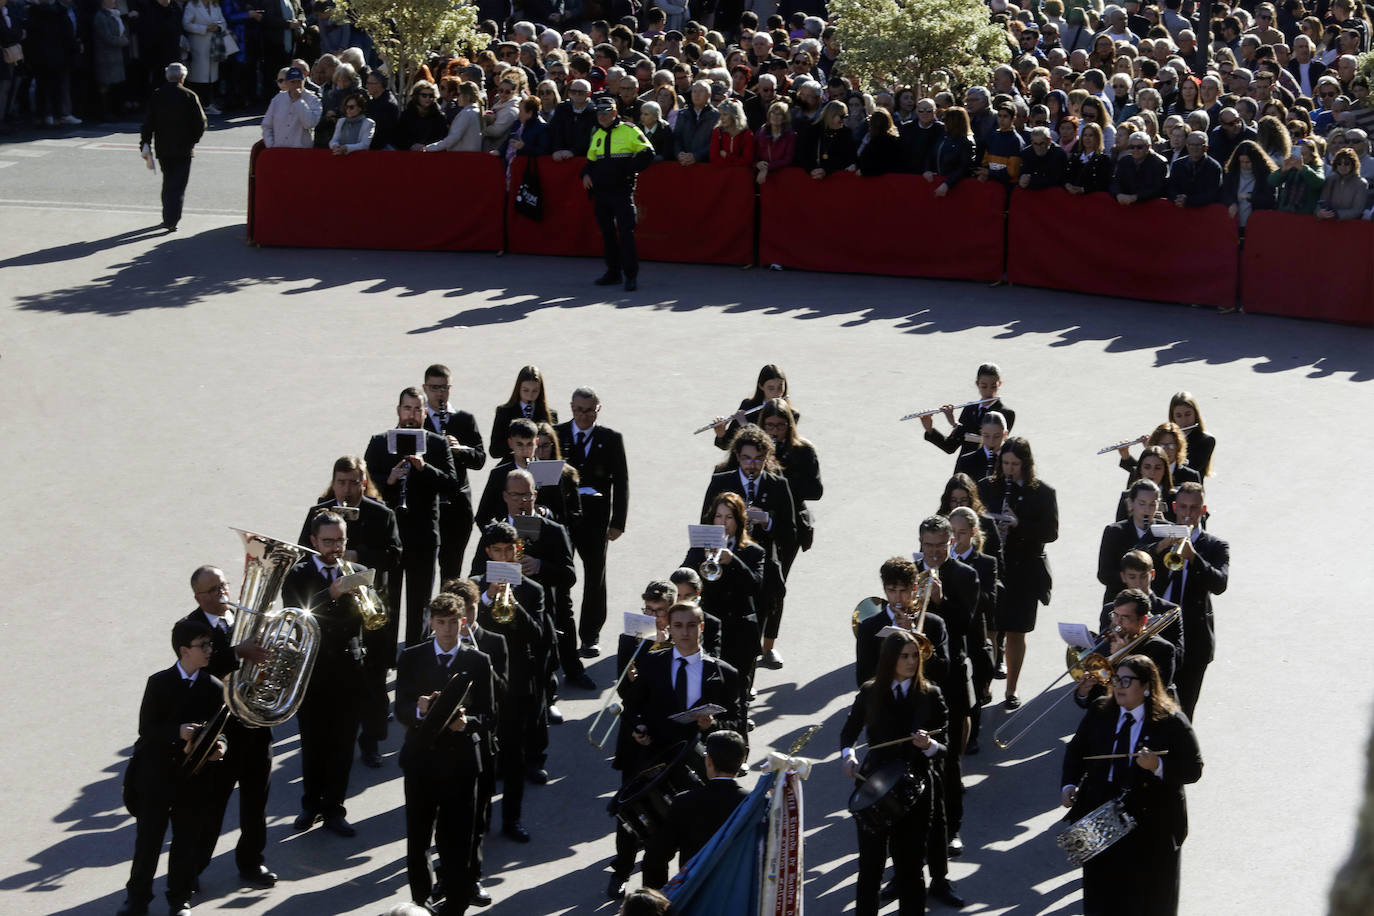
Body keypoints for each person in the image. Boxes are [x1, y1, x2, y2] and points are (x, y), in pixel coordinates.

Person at [1061, 655, 1203, 916]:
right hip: (1100, 812)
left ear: (1147, 686)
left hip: (1150, 822)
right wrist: (1068, 785)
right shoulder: (1100, 710)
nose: (1119, 686)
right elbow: (1076, 751)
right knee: (1099, 896)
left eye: (1127, 680)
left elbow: (1194, 769)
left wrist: (1157, 767)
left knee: (1146, 900)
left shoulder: (1171, 721)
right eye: (1116, 679)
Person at [296, 456, 403, 768]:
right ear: (333, 481)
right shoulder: (319, 513)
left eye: (354, 482)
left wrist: (358, 555)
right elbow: (304, 551)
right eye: (341, 482)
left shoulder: (381, 513)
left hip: (369, 607)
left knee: (372, 684)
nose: (347, 488)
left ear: (363, 481)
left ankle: (370, 743)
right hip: (331, 611)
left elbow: (395, 556)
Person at [117, 619, 227, 916]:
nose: (208, 650)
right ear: (183, 650)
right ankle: (137, 900)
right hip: (156, 776)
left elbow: (221, 730)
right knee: (149, 842)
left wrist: (220, 749)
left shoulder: (213, 687)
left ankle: (179, 899)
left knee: (186, 841)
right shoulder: (159, 682)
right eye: (202, 645)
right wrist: (177, 731)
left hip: (193, 778)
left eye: (209, 645)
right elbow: (146, 728)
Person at [396, 593, 495, 916]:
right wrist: (419, 710)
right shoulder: (412, 657)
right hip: (422, 761)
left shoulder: (478, 660)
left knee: (458, 841)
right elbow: (400, 707)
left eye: (454, 622)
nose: (448, 630)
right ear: (430, 623)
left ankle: (455, 906)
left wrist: (467, 725)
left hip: (461, 764)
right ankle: (421, 904)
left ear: (463, 622)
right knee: (419, 838)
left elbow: (490, 715)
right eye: (441, 623)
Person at [839, 630, 948, 916]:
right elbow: (848, 732)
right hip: (874, 785)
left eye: (915, 656)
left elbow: (946, 746)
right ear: (890, 659)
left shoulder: (930, 694)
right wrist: (848, 756)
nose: (912, 661)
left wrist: (929, 745)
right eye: (905, 656)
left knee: (911, 868)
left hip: (916, 791)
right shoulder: (870, 692)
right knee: (870, 867)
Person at [184, 566, 276, 891]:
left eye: (223, 585)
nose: (222, 592)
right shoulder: (189, 627)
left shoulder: (245, 618)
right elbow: (200, 665)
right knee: (212, 806)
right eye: (212, 590)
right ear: (197, 596)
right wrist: (239, 652)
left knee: (256, 802)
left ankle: (252, 862)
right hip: (220, 732)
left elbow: (263, 659)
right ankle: (191, 868)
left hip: (254, 725)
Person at [282, 511, 370, 837]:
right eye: (329, 541)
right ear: (314, 541)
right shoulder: (298, 574)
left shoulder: (358, 572)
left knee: (343, 744)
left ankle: (335, 808)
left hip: (349, 669)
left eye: (340, 540)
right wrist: (330, 596)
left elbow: (368, 620)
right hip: (314, 671)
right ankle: (310, 805)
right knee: (314, 742)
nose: (335, 547)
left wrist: (366, 600)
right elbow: (295, 617)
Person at [365, 387, 461, 648]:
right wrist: (390, 480)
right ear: (398, 410)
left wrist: (425, 467)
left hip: (423, 536)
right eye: (407, 408)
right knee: (388, 598)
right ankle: (385, 657)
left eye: (417, 409)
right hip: (389, 536)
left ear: (424, 412)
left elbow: (453, 485)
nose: (412, 414)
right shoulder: (379, 441)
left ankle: (415, 653)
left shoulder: (437, 443)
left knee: (420, 602)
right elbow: (366, 484)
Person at [701, 425, 796, 664]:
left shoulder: (777, 484)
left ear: (766, 457)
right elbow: (704, 521)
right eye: (746, 458)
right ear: (737, 456)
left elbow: (791, 533)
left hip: (760, 561)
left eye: (758, 459)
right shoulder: (722, 481)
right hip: (726, 556)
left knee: (759, 615)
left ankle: (749, 670)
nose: (752, 465)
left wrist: (768, 521)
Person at [976, 437, 1058, 708]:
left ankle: (1011, 688)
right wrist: (992, 527)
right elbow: (974, 522)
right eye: (1005, 463)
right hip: (994, 568)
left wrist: (1019, 525)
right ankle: (984, 684)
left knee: (1016, 632)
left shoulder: (1043, 492)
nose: (1009, 469)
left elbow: (1051, 533)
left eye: (1015, 464)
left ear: (1026, 464)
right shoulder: (987, 487)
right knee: (991, 629)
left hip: (1024, 571)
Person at [557, 386, 630, 656]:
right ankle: (560, 631)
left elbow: (621, 481)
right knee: (560, 574)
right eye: (578, 409)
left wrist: (618, 522)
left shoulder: (610, 438)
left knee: (595, 577)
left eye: (588, 410)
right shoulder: (558, 433)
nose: (583, 415)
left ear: (598, 409)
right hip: (563, 519)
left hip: (596, 520)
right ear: (571, 407)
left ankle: (590, 635)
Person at [1153, 483, 1228, 720]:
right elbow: (1133, 565)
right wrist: (1160, 548)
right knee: (1152, 705)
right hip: (1157, 632)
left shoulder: (1215, 546)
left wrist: (1194, 558)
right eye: (1183, 507)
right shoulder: (1158, 535)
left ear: (1202, 509)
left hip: (1194, 641)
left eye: (1194, 508)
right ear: (1174, 507)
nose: (1187, 513)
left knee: (1183, 711)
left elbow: (1219, 584)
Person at [682, 491, 764, 704]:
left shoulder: (754, 552)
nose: (723, 523)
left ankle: (740, 721)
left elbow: (756, 586)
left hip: (740, 629)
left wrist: (734, 561)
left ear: (738, 520)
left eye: (729, 517)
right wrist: (701, 560)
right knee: (710, 681)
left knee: (739, 685)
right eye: (719, 517)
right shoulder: (701, 548)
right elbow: (683, 577)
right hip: (710, 624)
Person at [757, 398, 821, 666]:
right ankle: (749, 640)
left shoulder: (803, 451)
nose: (774, 431)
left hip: (789, 528)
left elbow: (816, 490)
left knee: (776, 586)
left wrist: (782, 481)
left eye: (780, 426)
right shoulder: (754, 448)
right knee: (753, 585)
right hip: (758, 525)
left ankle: (769, 646)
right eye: (769, 425)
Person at [642, 729, 749, 889]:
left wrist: (659, 899)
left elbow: (656, 857)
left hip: (695, 893)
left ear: (708, 761)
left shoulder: (684, 802)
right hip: (740, 893)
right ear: (743, 760)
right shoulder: (755, 802)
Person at [420, 364, 486, 582]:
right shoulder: (416, 421)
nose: (440, 393)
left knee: (452, 572)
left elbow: (479, 458)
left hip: (457, 506)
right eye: (434, 387)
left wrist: (460, 449)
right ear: (425, 388)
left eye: (444, 388)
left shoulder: (464, 419)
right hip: (427, 505)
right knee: (424, 571)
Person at [583, 95, 654, 291]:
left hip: (622, 191)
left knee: (626, 233)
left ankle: (631, 275)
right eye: (599, 112)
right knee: (607, 234)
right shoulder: (597, 134)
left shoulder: (629, 130)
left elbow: (648, 153)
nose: (601, 116)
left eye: (606, 112)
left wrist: (628, 171)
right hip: (601, 193)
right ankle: (613, 272)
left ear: (614, 113)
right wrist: (586, 174)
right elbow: (591, 161)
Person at [139, 63, 206, 233]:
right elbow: (200, 123)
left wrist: (145, 142)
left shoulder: (157, 95)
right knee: (178, 184)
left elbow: (148, 122)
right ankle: (172, 219)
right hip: (183, 147)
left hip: (163, 146)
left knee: (168, 181)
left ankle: (166, 216)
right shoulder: (190, 95)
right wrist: (194, 140)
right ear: (182, 77)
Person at [918, 362, 1014, 465]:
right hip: (964, 470)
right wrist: (930, 429)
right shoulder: (970, 409)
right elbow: (950, 447)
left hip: (987, 470)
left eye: (993, 386)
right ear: (977, 384)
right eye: (984, 386)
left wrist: (955, 424)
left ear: (1000, 384)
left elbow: (989, 441)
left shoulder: (1006, 413)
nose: (988, 391)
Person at [1097, 479, 1164, 603]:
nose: (1147, 510)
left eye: (1152, 504)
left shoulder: (1167, 530)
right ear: (1131, 503)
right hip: (1120, 603)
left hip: (1155, 602)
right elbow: (1104, 575)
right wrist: (1132, 580)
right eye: (1142, 503)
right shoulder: (1114, 531)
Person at [710, 364, 799, 451]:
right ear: (761, 386)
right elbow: (726, 445)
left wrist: (745, 426)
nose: (777, 393)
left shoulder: (792, 414)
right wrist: (721, 434)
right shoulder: (747, 405)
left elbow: (775, 448)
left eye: (780, 387)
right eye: (771, 388)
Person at [489, 365, 559, 461]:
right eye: (525, 390)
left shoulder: (550, 414)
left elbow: (555, 448)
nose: (530, 395)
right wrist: (516, 443)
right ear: (518, 389)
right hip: (513, 466)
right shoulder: (504, 412)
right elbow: (494, 451)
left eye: (535, 390)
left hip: (540, 466)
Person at [182, 0, 227, 113]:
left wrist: (217, 28)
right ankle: (201, 105)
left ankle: (207, 104)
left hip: (213, 46)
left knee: (211, 76)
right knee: (199, 77)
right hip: (198, 45)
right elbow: (186, 24)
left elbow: (223, 22)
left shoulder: (215, 5)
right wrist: (204, 28)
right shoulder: (192, 5)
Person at [262, 65, 321, 148]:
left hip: (301, 151)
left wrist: (299, 102)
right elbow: (267, 125)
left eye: (299, 81)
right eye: (293, 82)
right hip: (279, 150)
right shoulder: (277, 99)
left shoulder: (313, 99)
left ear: (304, 81)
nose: (296, 85)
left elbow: (310, 123)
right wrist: (271, 145)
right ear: (286, 83)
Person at [1166, 130, 1223, 206]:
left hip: (1203, 212)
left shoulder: (1214, 167)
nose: (1194, 148)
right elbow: (1171, 188)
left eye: (1198, 145)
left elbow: (1212, 195)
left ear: (1206, 147)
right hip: (1180, 210)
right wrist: (1176, 198)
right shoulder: (1177, 164)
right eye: (1191, 144)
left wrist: (1188, 201)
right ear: (1187, 146)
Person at [1111, 130, 1168, 203]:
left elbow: (1158, 189)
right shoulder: (1124, 161)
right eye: (1132, 147)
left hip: (1149, 208)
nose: (1135, 150)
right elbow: (1116, 182)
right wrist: (1118, 194)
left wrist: (1136, 197)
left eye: (1139, 147)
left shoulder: (1159, 163)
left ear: (1148, 147)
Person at [1168, 392, 1215, 478]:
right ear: (1173, 418)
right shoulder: (1167, 438)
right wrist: (1152, 449)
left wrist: (1163, 451)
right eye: (1178, 416)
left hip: (1189, 490)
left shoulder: (1206, 440)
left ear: (1195, 414)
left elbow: (1188, 472)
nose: (1184, 420)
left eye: (1188, 414)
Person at [1315, 148, 1368, 219]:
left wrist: (1337, 214)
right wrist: (1319, 213)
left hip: (1350, 225)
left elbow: (1357, 210)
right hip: (1328, 222)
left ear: (1353, 165)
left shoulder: (1361, 183)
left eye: (1346, 163)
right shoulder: (1330, 180)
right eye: (1339, 163)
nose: (1342, 166)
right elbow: (1322, 200)